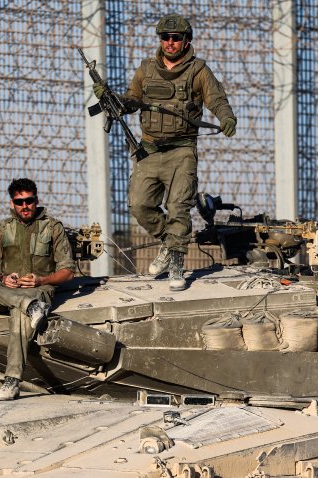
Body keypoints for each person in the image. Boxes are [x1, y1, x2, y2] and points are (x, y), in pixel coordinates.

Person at [93, 14, 236, 291]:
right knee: (139, 204)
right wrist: (110, 98)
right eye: (165, 38)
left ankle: (177, 265)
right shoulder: (146, 69)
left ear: (186, 40)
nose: (170, 43)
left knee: (178, 207)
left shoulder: (198, 71)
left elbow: (216, 98)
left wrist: (226, 117)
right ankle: (168, 244)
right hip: (149, 150)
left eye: (176, 38)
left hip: (182, 150)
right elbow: (132, 100)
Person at [0, 178, 75, 401]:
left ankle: (12, 380)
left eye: (29, 201)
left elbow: (67, 271)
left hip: (38, 290)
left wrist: (41, 280)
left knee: (19, 313)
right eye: (19, 202)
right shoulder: (3, 228)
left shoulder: (53, 227)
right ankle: (29, 306)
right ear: (12, 203)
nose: (25, 206)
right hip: (8, 290)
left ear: (36, 200)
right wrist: (4, 279)